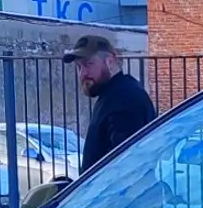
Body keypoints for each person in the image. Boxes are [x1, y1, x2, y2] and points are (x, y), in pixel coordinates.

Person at [63, 35, 156, 170]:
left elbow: (125, 166)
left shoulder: (123, 99)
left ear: (110, 62)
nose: (82, 73)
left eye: (88, 64)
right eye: (78, 67)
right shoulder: (116, 94)